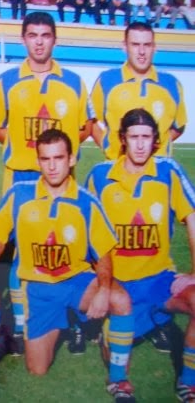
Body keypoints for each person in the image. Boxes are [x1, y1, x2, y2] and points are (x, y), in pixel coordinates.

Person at [0, 129, 134, 401]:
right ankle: (71, 323)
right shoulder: (20, 194)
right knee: (37, 369)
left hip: (77, 282)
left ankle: (118, 379)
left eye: (58, 158)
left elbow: (104, 253)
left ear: (71, 159)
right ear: (38, 161)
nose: (52, 166)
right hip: (39, 290)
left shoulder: (86, 201)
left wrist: (104, 290)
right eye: (45, 159)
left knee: (120, 300)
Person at [0, 11, 91, 352]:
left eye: (45, 35)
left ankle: (75, 323)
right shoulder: (7, 80)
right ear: (23, 39)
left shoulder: (73, 82)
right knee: (22, 252)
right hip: (22, 177)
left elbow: (85, 127)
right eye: (33, 35)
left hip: (62, 180)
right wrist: (16, 145)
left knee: (68, 249)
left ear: (54, 39)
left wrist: (61, 155)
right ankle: (20, 324)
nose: (39, 42)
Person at [86, 108, 195, 403]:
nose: (140, 144)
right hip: (119, 285)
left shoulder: (168, 171)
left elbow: (193, 217)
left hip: (160, 281)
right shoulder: (100, 176)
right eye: (133, 137)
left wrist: (194, 273)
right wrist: (99, 285)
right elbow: (86, 232)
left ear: (155, 140)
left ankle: (189, 383)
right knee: (116, 361)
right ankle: (118, 380)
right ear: (122, 139)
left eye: (146, 137)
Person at [90, 21, 187, 161]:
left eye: (147, 45)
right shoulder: (107, 80)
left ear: (154, 47)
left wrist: (158, 146)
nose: (142, 52)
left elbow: (179, 126)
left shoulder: (171, 84)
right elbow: (91, 122)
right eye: (135, 44)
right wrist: (109, 148)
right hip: (118, 167)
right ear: (125, 46)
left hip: (158, 170)